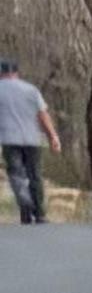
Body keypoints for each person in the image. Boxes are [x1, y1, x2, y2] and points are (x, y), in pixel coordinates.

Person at [0, 57, 49, 226]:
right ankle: (40, 213)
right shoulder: (31, 90)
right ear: (16, 72)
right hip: (32, 139)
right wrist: (53, 136)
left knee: (16, 174)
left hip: (9, 139)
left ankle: (25, 204)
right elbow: (43, 115)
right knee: (35, 175)